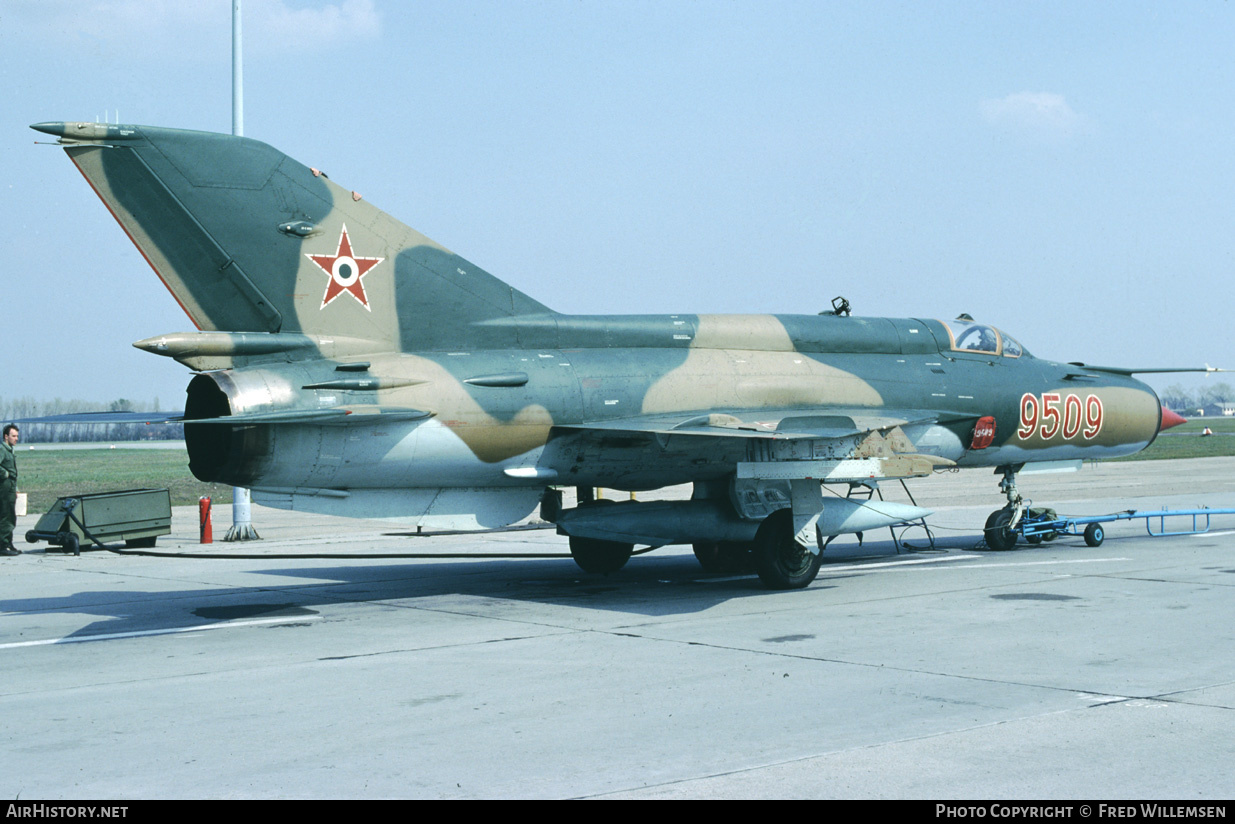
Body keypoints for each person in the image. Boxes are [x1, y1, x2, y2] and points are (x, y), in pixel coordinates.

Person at [1, 424, 20, 556]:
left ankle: (8, 542)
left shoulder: (10, 450)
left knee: (11, 516)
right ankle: (2, 545)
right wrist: (5, 474)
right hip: (4, 487)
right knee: (6, 516)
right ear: (6, 437)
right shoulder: (2, 449)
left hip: (11, 487)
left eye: (17, 436)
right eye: (13, 436)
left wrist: (16, 488)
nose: (16, 438)